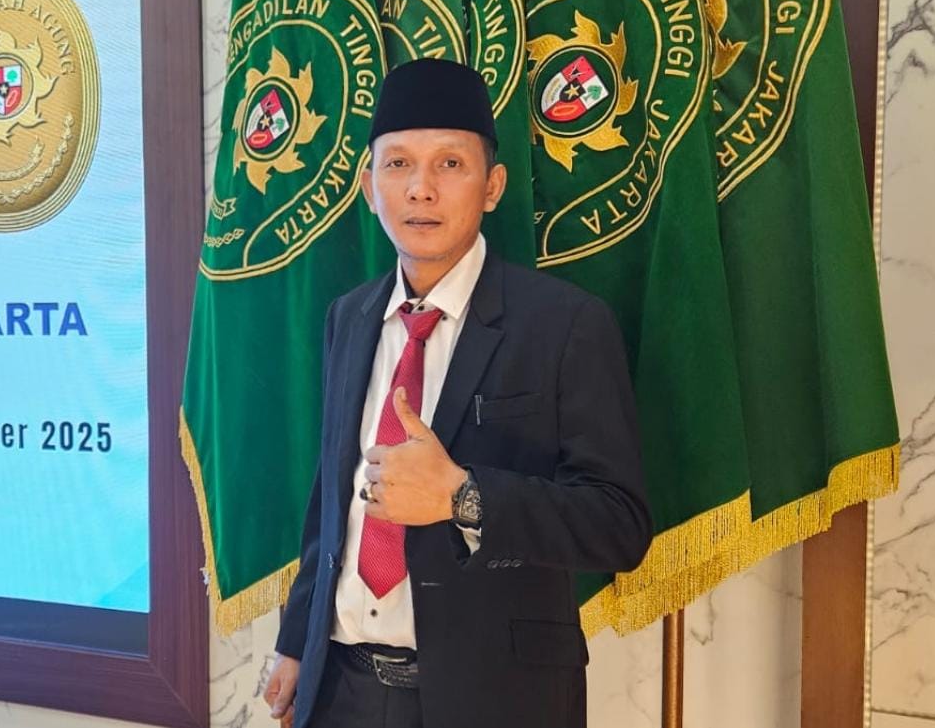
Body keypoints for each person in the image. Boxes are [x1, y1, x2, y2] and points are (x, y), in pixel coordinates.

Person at [262, 58, 652, 728]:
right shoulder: (348, 317)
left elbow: (619, 524)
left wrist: (463, 496)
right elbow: (332, 495)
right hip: (341, 692)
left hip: (495, 699)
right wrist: (297, 642)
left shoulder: (565, 324)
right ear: (369, 186)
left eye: (449, 164)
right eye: (398, 164)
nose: (421, 189)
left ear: (492, 186)